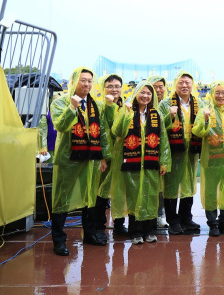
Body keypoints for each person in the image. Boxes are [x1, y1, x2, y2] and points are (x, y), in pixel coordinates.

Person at [50, 67, 110, 256]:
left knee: (89, 196)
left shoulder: (96, 105)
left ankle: (90, 234)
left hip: (91, 159)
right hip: (69, 158)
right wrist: (72, 108)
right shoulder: (60, 102)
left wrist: (103, 157)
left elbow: (102, 131)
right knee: (62, 198)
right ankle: (59, 240)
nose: (87, 84)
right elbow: (60, 124)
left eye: (90, 81)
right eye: (83, 80)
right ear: (74, 81)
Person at [110, 82, 171, 244]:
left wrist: (164, 161)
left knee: (151, 197)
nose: (145, 96)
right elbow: (117, 132)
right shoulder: (127, 111)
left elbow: (163, 139)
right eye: (142, 92)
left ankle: (150, 231)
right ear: (136, 94)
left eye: (149, 94)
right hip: (132, 162)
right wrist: (126, 114)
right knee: (134, 196)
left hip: (151, 163)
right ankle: (136, 232)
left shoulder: (156, 114)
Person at [158, 71, 202, 235]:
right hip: (173, 150)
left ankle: (186, 217)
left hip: (191, 151)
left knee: (189, 183)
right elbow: (160, 127)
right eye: (181, 82)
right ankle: (173, 220)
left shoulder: (198, 103)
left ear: (192, 85)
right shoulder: (166, 103)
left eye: (187, 83)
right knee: (171, 185)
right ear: (175, 84)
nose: (184, 85)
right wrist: (169, 116)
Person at [192, 80, 224, 237]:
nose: (221, 95)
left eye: (223, 92)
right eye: (217, 92)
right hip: (211, 160)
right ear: (212, 94)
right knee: (210, 192)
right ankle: (212, 223)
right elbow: (197, 131)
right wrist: (204, 119)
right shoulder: (205, 110)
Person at [94, 74, 128, 240]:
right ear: (103, 88)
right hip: (105, 158)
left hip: (123, 156)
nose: (114, 89)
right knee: (101, 193)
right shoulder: (99, 107)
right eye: (110, 86)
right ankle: (99, 226)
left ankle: (119, 224)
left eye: (117, 86)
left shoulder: (126, 107)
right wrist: (101, 156)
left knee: (120, 192)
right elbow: (101, 132)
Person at [148, 75, 169, 229]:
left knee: (164, 188)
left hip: (167, 150)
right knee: (151, 186)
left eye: (160, 86)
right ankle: (149, 216)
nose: (158, 90)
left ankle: (161, 215)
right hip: (149, 151)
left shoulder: (169, 104)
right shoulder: (144, 105)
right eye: (154, 87)